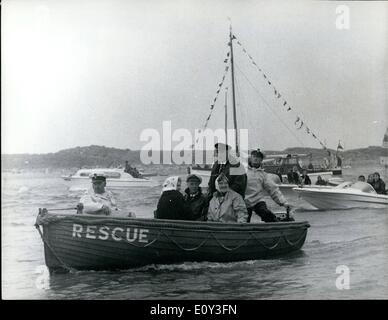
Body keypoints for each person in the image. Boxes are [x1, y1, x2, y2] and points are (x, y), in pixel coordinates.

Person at [245, 150, 292, 223]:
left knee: (266, 213)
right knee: (244, 219)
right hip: (244, 201)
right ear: (250, 158)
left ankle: (277, 226)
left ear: (261, 160)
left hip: (258, 201)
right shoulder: (243, 171)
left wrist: (284, 202)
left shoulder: (263, 175)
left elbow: (273, 189)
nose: (256, 159)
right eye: (254, 156)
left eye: (258, 157)